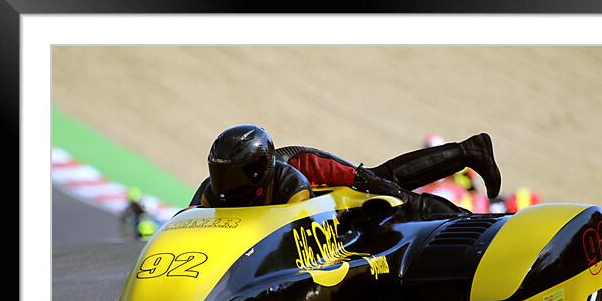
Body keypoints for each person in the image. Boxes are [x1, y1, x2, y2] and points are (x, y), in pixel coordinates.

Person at [189, 124, 501, 215]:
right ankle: (468, 149)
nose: (223, 183)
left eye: (232, 174)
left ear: (257, 171)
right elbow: (186, 224)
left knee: (384, 187)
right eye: (219, 173)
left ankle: (465, 218)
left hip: (312, 167)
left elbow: (288, 227)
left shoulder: (290, 182)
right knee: (384, 176)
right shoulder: (209, 191)